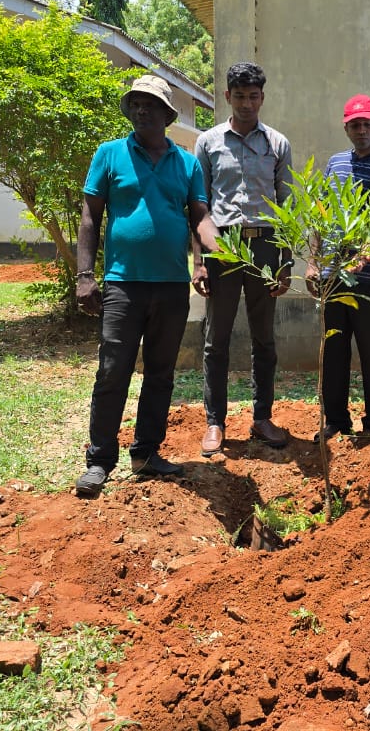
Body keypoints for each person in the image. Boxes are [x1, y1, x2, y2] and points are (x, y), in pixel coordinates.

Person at [73, 74, 220, 497]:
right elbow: (90, 217)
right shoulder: (109, 154)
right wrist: (85, 275)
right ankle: (100, 460)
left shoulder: (187, 163)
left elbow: (199, 217)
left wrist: (213, 255)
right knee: (112, 371)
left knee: (160, 373)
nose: (142, 110)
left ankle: (146, 453)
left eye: (151, 104)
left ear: (167, 115)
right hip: (123, 284)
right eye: (136, 103)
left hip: (171, 286)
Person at [192, 62, 294, 456]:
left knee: (264, 338)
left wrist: (285, 261)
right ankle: (215, 422)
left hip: (265, 248)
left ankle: (262, 417)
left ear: (262, 98)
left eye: (253, 96)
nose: (247, 103)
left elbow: (286, 206)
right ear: (227, 97)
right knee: (215, 340)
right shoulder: (208, 143)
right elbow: (199, 206)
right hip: (222, 247)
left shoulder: (277, 144)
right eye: (239, 96)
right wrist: (200, 262)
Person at [310, 94, 370, 440]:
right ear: (346, 128)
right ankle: (336, 420)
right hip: (332, 275)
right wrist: (314, 263)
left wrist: (361, 257)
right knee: (334, 349)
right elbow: (320, 215)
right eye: (355, 125)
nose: (361, 130)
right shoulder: (334, 164)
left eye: (367, 124)